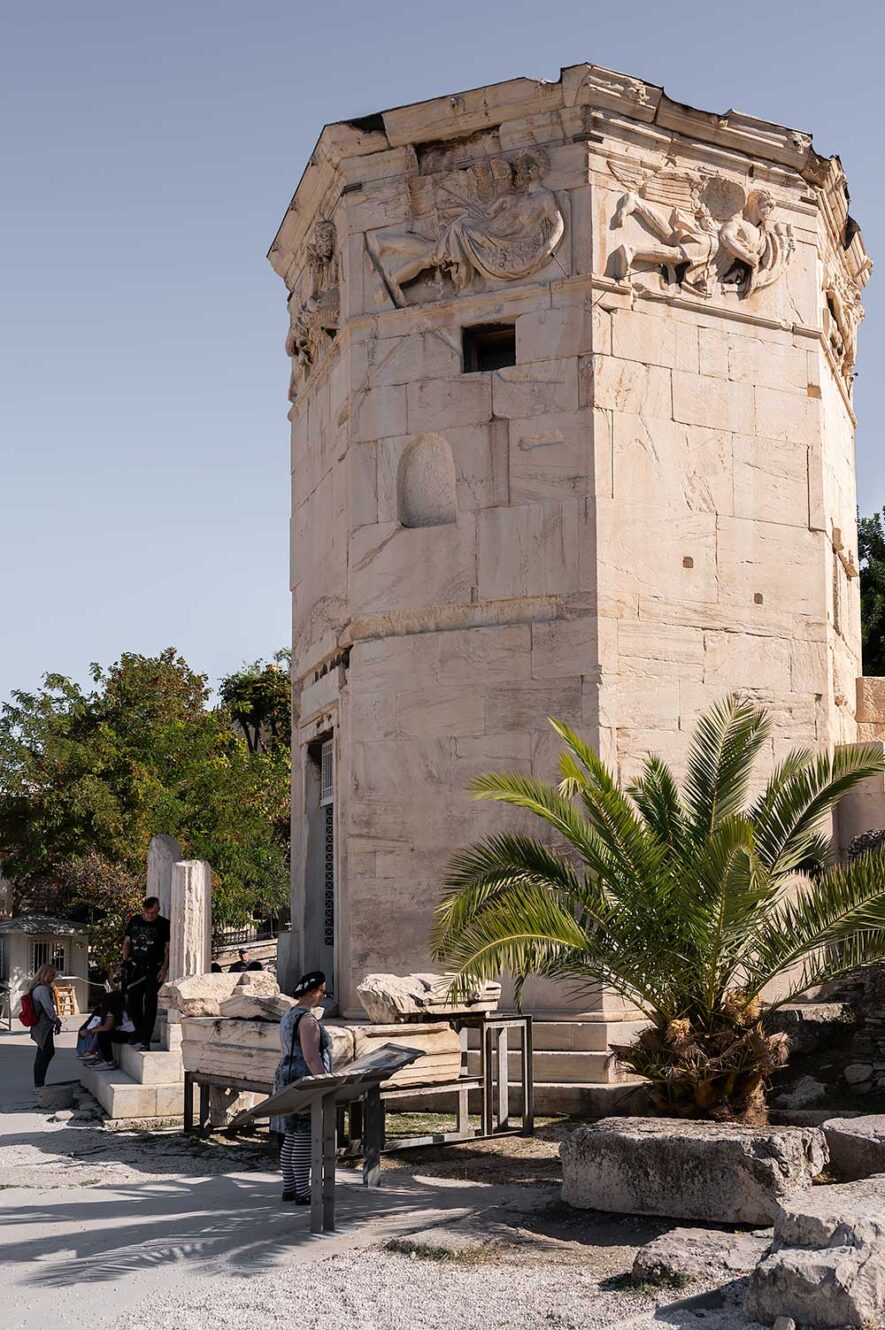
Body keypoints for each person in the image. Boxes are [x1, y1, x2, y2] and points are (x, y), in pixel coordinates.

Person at [271, 971, 331, 1204]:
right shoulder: (307, 1020)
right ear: (313, 991)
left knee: (291, 1135)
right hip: (302, 1079)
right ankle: (303, 1193)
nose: (323, 997)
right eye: (323, 991)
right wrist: (325, 1083)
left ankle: (289, 1187)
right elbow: (311, 1056)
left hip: (285, 1075)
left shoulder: (288, 1015)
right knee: (305, 1136)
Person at [122, 895, 170, 1050]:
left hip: (154, 968)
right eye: (149, 913)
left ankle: (145, 1040)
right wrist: (124, 962)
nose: (151, 916)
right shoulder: (135, 920)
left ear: (158, 910)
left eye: (154, 913)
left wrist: (164, 968)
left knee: (150, 1003)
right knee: (133, 1003)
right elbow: (127, 942)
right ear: (144, 910)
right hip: (136, 967)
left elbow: (168, 949)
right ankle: (139, 1031)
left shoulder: (163, 924)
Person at [29, 965, 62, 1088]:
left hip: (42, 1025)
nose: (53, 978)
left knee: (44, 1052)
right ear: (45, 975)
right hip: (42, 1025)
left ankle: (39, 1083)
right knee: (45, 1052)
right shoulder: (42, 989)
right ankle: (39, 1084)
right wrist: (56, 1020)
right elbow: (48, 1008)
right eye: (52, 975)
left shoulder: (38, 987)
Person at [83, 991, 136, 1068]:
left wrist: (91, 1031)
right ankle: (94, 1054)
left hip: (127, 1035)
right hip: (132, 1034)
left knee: (103, 1034)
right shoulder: (124, 1010)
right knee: (102, 1032)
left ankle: (108, 1061)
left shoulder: (112, 1012)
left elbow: (106, 1027)